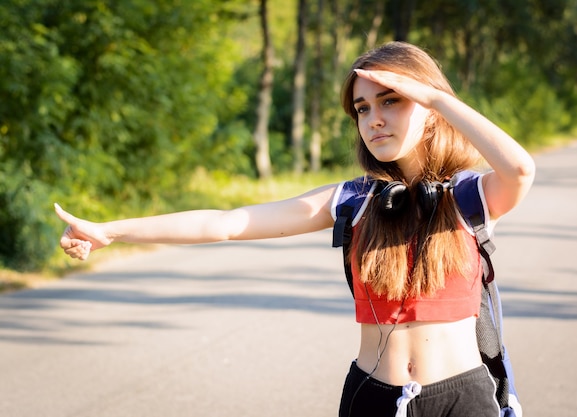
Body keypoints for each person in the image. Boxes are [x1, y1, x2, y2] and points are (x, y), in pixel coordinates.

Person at [56, 41, 535, 417]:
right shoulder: (352, 200)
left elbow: (520, 170)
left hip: (461, 400)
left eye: (392, 100)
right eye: (362, 108)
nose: (374, 119)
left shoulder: (468, 197)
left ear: (430, 110)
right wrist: (111, 231)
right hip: (371, 397)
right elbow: (226, 223)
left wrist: (431, 95)